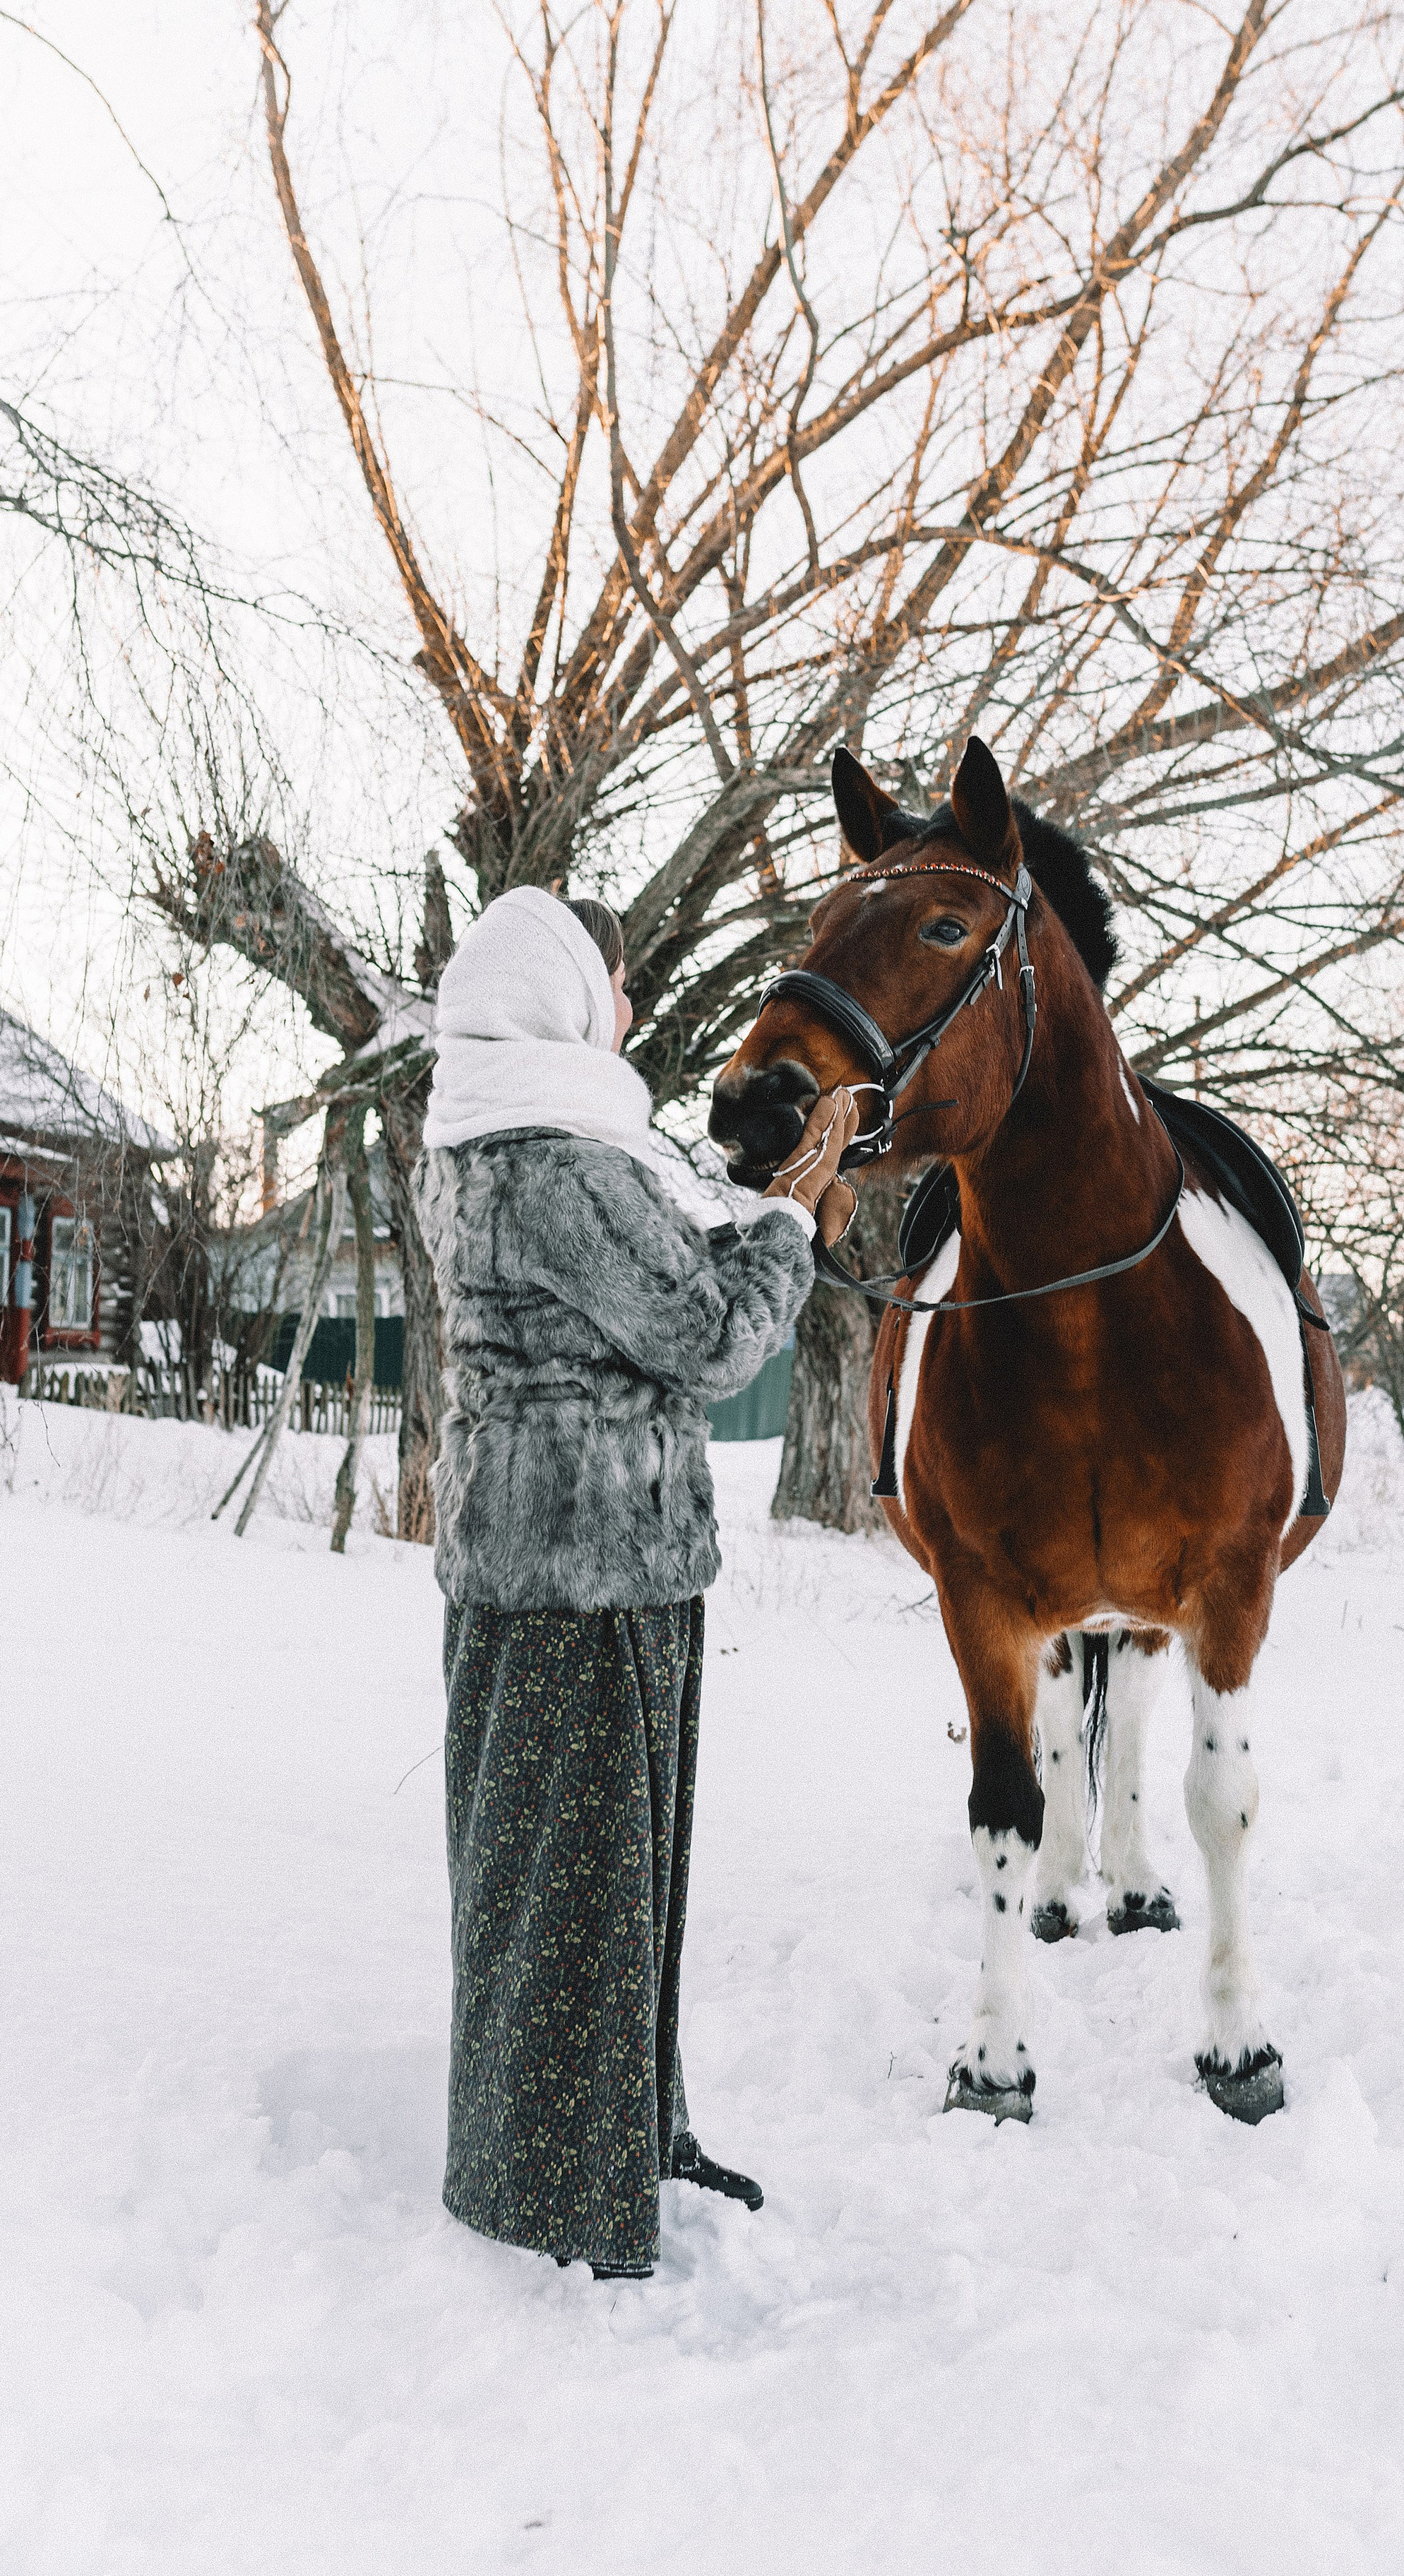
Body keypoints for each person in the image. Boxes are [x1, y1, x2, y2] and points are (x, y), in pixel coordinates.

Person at [415, 885, 857, 2279]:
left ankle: (613, 2140)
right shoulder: (555, 1156)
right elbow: (711, 1340)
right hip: (590, 1580)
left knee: (576, 1888)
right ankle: (554, 2202)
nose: (628, 1006)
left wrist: (749, 1215)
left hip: (548, 1567)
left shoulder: (496, 1137)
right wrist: (789, 1222)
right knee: (581, 1893)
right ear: (556, 990)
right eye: (614, 980)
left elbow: (646, 1282)